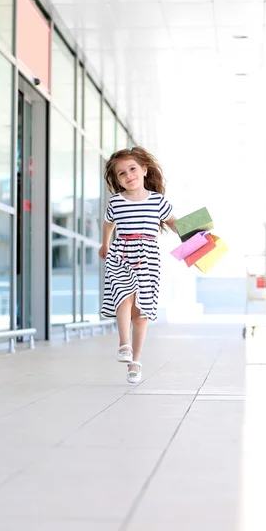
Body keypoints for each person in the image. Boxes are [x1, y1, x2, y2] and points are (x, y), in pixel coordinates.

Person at [99, 147, 177, 384]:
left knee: (140, 313)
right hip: (121, 253)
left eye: (132, 169)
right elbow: (108, 224)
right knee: (123, 297)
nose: (128, 175)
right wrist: (104, 245)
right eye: (121, 173)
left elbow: (175, 223)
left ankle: (136, 360)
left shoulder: (157, 201)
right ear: (117, 179)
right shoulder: (116, 202)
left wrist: (198, 235)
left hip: (148, 256)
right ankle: (124, 345)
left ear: (144, 170)